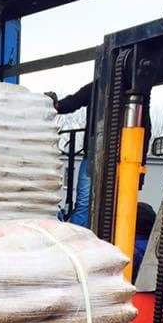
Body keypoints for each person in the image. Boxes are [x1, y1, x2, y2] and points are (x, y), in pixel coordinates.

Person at [47, 84, 94, 227]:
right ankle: (77, 236)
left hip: (122, 158)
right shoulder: (99, 86)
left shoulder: (135, 88)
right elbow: (75, 101)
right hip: (93, 155)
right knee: (83, 203)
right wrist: (55, 106)